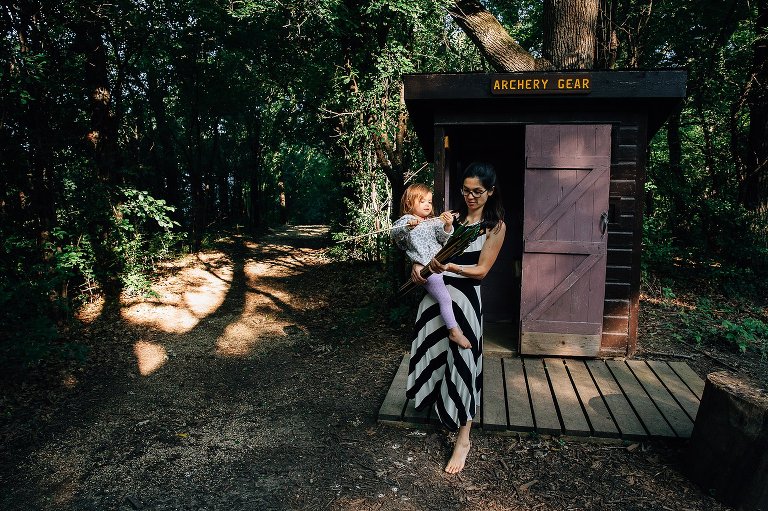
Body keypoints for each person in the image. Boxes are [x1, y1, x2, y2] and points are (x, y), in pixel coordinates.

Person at [405, 162, 506, 474]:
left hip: (465, 300)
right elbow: (422, 248)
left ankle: (464, 438)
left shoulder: (495, 226)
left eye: (477, 191)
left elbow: (482, 270)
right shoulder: (451, 219)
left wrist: (449, 267)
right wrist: (418, 269)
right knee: (435, 356)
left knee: (465, 362)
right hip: (435, 298)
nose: (471, 196)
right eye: (466, 190)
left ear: (490, 192)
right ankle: (440, 409)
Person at [391, 184, 471, 349]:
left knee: (456, 294)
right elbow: (395, 235)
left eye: (429, 201)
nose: (428, 205)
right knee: (445, 298)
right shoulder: (406, 221)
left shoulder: (433, 221)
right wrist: (408, 227)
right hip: (426, 269)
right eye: (422, 201)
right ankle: (454, 331)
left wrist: (448, 225)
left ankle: (460, 326)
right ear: (408, 203)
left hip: (440, 265)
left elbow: (443, 239)